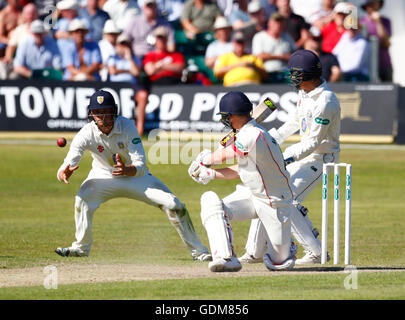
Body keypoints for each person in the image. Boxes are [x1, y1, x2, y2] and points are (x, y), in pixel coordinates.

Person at [55, 89, 211, 262]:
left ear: (113, 111)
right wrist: (64, 172)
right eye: (97, 112)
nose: (101, 117)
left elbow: (141, 164)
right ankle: (80, 248)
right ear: (91, 113)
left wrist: (127, 170)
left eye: (105, 112)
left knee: (174, 205)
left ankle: (199, 252)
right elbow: (70, 160)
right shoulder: (86, 133)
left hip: (136, 177)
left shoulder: (127, 126)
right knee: (82, 199)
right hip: (103, 175)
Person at [239, 49, 341, 265]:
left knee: (287, 201)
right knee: (267, 195)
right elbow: (293, 123)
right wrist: (268, 140)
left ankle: (316, 253)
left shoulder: (325, 101)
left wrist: (283, 157)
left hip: (320, 160)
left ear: (308, 74)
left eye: (296, 73)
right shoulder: (304, 94)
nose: (292, 78)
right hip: (301, 156)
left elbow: (314, 142)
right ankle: (254, 251)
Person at [187, 91, 297, 272]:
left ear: (231, 116)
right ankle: (226, 258)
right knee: (210, 202)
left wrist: (206, 159)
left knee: (279, 262)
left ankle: (287, 246)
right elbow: (241, 171)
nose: (224, 121)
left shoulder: (253, 135)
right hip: (252, 195)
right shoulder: (245, 134)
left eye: (225, 117)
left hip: (274, 203)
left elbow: (227, 155)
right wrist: (210, 173)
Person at [108, 34, 149, 136]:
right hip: (115, 86)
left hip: (132, 85)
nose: (124, 47)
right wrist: (128, 70)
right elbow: (113, 71)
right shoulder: (113, 57)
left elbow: (135, 73)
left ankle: (139, 131)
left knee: (143, 95)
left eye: (126, 45)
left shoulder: (134, 59)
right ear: (117, 46)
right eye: (122, 44)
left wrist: (129, 58)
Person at [252, 12, 295, 83]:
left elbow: (294, 57)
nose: (278, 25)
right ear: (269, 23)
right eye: (276, 22)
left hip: (285, 73)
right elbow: (259, 57)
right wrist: (282, 56)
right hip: (267, 72)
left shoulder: (287, 37)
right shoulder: (260, 36)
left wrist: (268, 55)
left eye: (281, 22)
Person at [360, 0, 392, 81]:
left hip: (384, 63)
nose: (372, 7)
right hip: (367, 65)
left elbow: (386, 42)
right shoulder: (361, 22)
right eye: (370, 4)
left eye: (375, 4)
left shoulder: (385, 21)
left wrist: (378, 22)